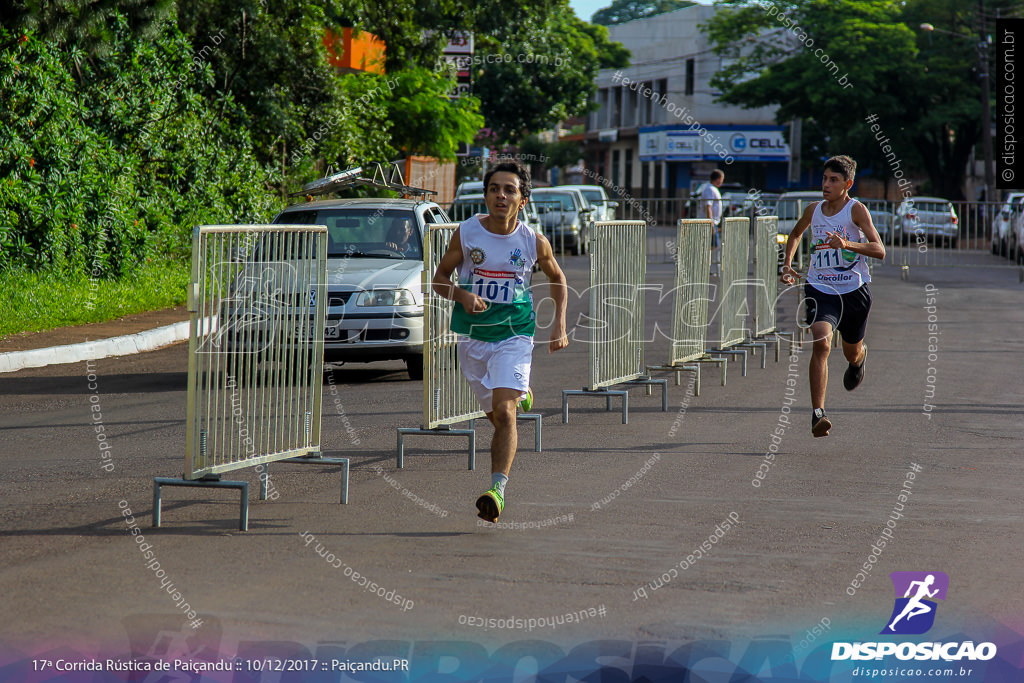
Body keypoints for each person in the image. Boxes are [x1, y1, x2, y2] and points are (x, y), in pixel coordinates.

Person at [431, 160, 569, 523]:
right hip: (474, 337)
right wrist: (462, 296)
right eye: (494, 188)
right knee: (494, 415)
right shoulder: (466, 233)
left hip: (515, 333)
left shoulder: (532, 241)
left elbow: (557, 278)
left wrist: (559, 325)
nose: (501, 196)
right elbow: (440, 279)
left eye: (510, 190)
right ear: (486, 194)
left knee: (505, 415)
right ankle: (520, 394)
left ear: (523, 199)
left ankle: (497, 490)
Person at [780, 155, 885, 437]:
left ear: (847, 184)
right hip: (820, 288)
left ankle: (859, 359)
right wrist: (788, 263)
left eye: (834, 180)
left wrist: (848, 243)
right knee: (822, 343)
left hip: (854, 290)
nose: (826, 184)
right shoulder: (813, 209)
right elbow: (795, 234)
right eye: (825, 178)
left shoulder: (856, 211)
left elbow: (879, 250)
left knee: (851, 350)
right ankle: (818, 415)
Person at [701, 169, 725, 247]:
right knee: (711, 245)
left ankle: (706, 259)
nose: (722, 181)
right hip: (710, 222)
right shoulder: (710, 189)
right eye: (722, 179)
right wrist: (710, 223)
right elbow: (708, 206)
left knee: (712, 245)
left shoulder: (713, 188)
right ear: (718, 179)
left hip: (713, 221)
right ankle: (704, 259)